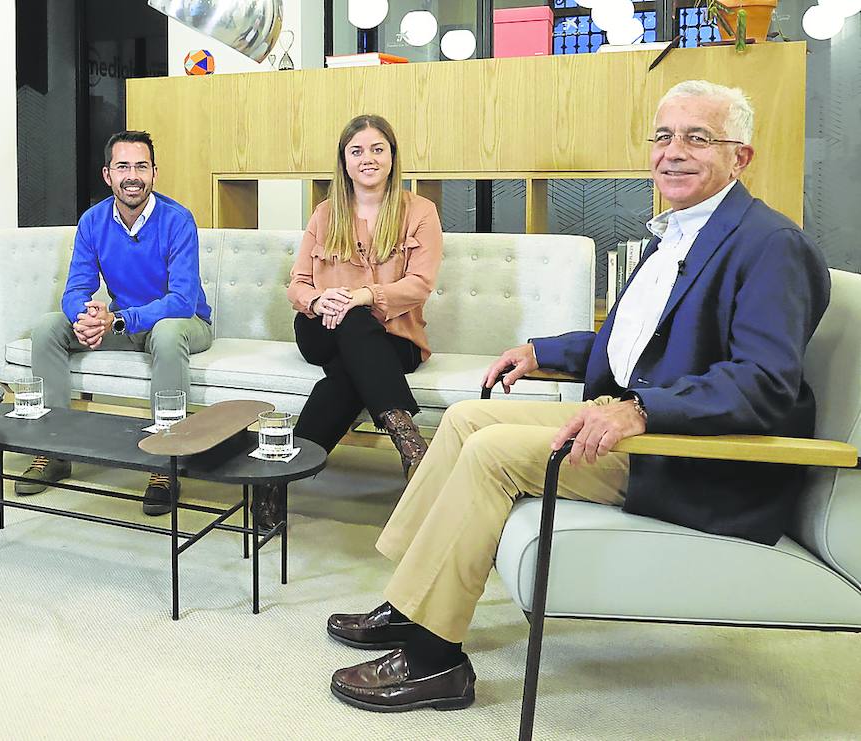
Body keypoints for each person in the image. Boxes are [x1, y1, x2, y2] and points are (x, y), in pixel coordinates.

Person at [324, 80, 830, 713]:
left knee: (491, 454)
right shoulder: (679, 232)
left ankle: (434, 663)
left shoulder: (771, 245)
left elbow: (764, 382)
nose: (673, 151)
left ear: (740, 157)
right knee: (465, 418)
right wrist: (544, 352)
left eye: (698, 138)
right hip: (643, 419)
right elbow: (639, 341)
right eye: (663, 136)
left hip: (691, 452)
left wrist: (641, 409)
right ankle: (410, 603)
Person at [18, 130, 213, 516]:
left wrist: (118, 320)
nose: (133, 176)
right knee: (48, 328)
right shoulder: (93, 221)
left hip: (183, 323)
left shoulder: (178, 219)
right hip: (124, 324)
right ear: (107, 175)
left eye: (141, 166)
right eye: (123, 167)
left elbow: (181, 300)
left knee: (167, 332)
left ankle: (165, 464)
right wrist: (86, 317)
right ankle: (51, 450)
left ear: (154, 173)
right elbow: (76, 288)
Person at [287, 113, 442, 476]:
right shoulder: (325, 213)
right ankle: (409, 441)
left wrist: (363, 296)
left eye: (377, 149)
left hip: (395, 338)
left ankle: (282, 476)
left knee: (347, 375)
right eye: (356, 151)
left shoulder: (420, 212)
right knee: (352, 321)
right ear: (344, 161)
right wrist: (318, 301)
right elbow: (297, 284)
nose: (367, 159)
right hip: (321, 329)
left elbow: (420, 284)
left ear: (392, 156)